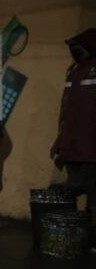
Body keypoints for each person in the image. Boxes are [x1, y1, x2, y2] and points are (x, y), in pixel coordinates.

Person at [52, 29, 96, 245]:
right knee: (73, 190)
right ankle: (75, 238)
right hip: (72, 146)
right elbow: (66, 110)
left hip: (91, 147)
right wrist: (60, 140)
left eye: (79, 48)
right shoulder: (73, 71)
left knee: (88, 193)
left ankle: (89, 239)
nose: (75, 52)